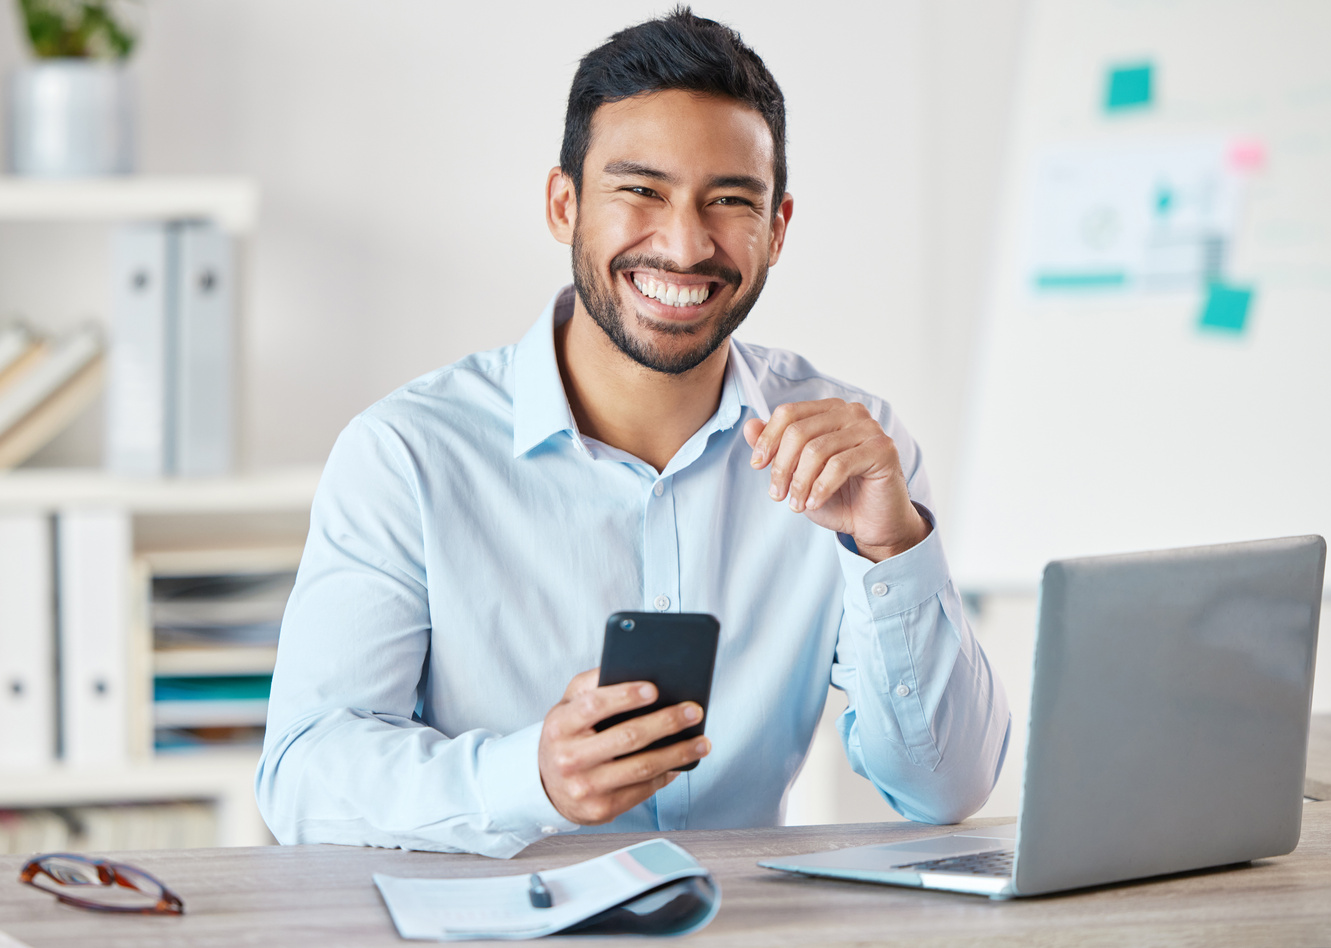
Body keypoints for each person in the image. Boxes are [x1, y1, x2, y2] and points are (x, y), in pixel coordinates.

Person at [256, 7, 1010, 859]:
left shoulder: (852, 456)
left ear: (778, 229)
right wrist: (527, 779)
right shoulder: (406, 454)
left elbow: (947, 788)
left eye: (730, 201)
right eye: (640, 191)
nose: (685, 246)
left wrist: (891, 549)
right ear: (563, 203)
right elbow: (305, 778)